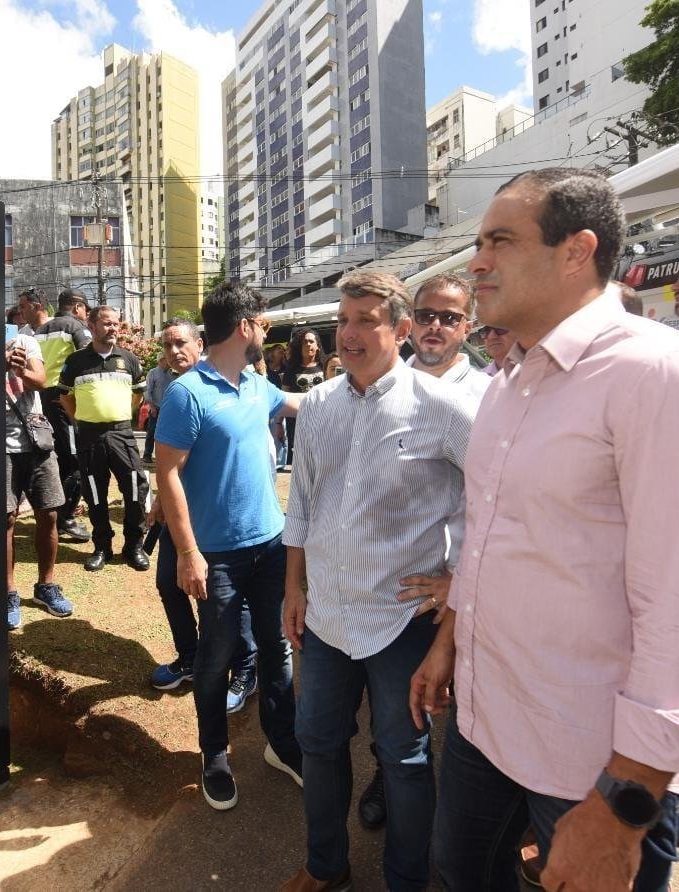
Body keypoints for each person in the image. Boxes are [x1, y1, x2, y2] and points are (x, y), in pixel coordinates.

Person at [416, 168, 679, 892]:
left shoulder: (666, 379)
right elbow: (488, 543)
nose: (476, 261)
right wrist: (449, 641)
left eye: (500, 241)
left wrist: (625, 804)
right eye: (478, 242)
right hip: (483, 724)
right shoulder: (512, 384)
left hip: (594, 765)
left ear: (578, 251)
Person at [279, 270, 473, 892]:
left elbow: (494, 500)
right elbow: (302, 502)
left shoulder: (443, 407)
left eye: (368, 320)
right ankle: (325, 867)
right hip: (328, 614)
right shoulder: (317, 405)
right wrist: (293, 588)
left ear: (402, 329)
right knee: (317, 743)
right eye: (344, 320)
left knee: (405, 760)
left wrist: (458, 582)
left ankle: (405, 882)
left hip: (400, 620)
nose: (351, 333)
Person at [155, 281, 304, 811]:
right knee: (216, 660)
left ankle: (282, 746)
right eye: (262, 323)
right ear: (244, 327)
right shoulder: (187, 393)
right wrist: (188, 553)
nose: (266, 331)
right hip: (217, 557)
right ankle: (214, 753)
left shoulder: (255, 384)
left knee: (276, 650)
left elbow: (301, 404)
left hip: (271, 546)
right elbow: (167, 474)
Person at [147, 318, 259, 713]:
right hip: (180, 516)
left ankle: (245, 669)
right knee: (168, 584)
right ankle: (190, 657)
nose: (174, 351)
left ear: (200, 343)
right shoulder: (168, 385)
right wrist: (161, 498)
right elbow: (171, 459)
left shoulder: (229, 382)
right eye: (167, 345)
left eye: (181, 343)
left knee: (224, 600)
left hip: (218, 520)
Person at [60, 304, 150, 572]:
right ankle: (102, 547)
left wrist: (119, 414)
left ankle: (134, 545)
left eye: (116, 324)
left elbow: (138, 394)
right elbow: (65, 396)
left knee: (135, 489)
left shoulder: (129, 359)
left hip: (122, 433)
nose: (113, 329)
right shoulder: (76, 362)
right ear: (92, 326)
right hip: (89, 435)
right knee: (95, 493)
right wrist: (83, 418)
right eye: (107, 323)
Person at [4, 328, 72, 627]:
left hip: (36, 441)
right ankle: (7, 592)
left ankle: (46, 585)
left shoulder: (25, 341)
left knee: (50, 513)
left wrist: (17, 367)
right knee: (5, 520)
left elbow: (41, 381)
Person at [30, 288, 93, 544]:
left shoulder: (39, 331)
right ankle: (64, 518)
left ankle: (52, 513)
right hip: (63, 400)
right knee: (76, 460)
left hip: (41, 400)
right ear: (78, 307)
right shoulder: (75, 326)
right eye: (86, 311)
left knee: (55, 459)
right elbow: (89, 359)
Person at [405, 274, 491, 406]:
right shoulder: (380, 387)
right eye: (425, 316)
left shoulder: (488, 394)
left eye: (449, 318)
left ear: (466, 330)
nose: (434, 325)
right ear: (411, 323)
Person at [282, 328, 324, 466]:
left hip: (323, 420)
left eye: (311, 341)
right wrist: (278, 424)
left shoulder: (326, 366)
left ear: (317, 346)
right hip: (297, 422)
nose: (308, 345)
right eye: (304, 342)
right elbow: (284, 397)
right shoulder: (291, 370)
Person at [141, 352, 171, 464]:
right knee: (152, 432)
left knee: (167, 434)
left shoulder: (172, 374)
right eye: (166, 359)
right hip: (156, 408)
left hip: (169, 410)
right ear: (161, 360)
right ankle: (147, 455)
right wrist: (152, 406)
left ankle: (164, 456)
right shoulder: (152, 373)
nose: (169, 361)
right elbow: (147, 391)